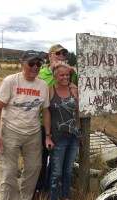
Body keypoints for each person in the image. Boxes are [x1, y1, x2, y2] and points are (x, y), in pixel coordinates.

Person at [0, 50, 52, 200]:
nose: (35, 67)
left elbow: (46, 111)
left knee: (33, 169)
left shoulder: (42, 86)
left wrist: (47, 135)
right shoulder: (11, 81)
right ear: (22, 63)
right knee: (8, 172)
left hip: (33, 133)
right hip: (10, 132)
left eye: (38, 64)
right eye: (31, 63)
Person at [36, 43, 78, 192]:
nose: (61, 56)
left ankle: (56, 188)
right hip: (42, 124)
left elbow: (75, 92)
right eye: (57, 53)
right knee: (41, 159)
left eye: (64, 54)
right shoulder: (40, 75)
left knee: (58, 161)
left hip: (63, 125)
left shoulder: (71, 73)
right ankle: (41, 190)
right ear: (49, 56)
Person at [47, 63, 82, 200]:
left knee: (68, 170)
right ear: (55, 77)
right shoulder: (50, 91)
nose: (65, 77)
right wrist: (47, 136)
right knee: (56, 172)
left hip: (73, 137)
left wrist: (79, 132)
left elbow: (77, 112)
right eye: (62, 75)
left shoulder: (74, 90)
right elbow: (47, 113)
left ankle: (66, 199)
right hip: (58, 138)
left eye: (67, 74)